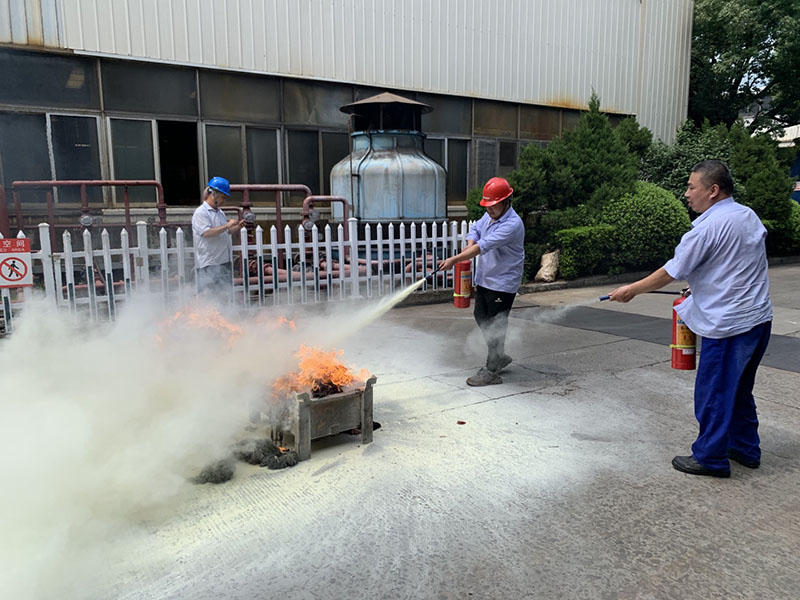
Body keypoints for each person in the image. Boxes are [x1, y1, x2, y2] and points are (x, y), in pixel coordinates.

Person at [608, 160, 772, 478]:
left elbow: (671, 271)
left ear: (713, 190)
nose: (686, 193)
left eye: (691, 187)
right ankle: (745, 448)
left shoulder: (706, 228)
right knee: (739, 389)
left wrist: (632, 290)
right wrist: (699, 285)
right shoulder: (746, 215)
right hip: (759, 319)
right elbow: (734, 263)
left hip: (728, 325)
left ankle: (710, 458)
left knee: (714, 392)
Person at [438, 177, 525, 386]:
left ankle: (492, 370)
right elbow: (475, 230)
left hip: (502, 282)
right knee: (481, 316)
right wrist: (469, 244)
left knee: (496, 324)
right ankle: (499, 355)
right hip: (486, 278)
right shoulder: (490, 216)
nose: (489, 209)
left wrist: (454, 259)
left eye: (493, 205)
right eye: (487, 205)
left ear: (506, 201)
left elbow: (482, 246)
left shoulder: (512, 224)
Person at [191, 176, 244, 298]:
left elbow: (226, 232)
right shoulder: (201, 212)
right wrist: (227, 225)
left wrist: (238, 226)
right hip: (209, 264)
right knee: (209, 298)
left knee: (224, 297)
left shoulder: (219, 213)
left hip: (223, 262)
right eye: (222, 197)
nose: (224, 201)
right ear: (214, 194)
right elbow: (206, 233)